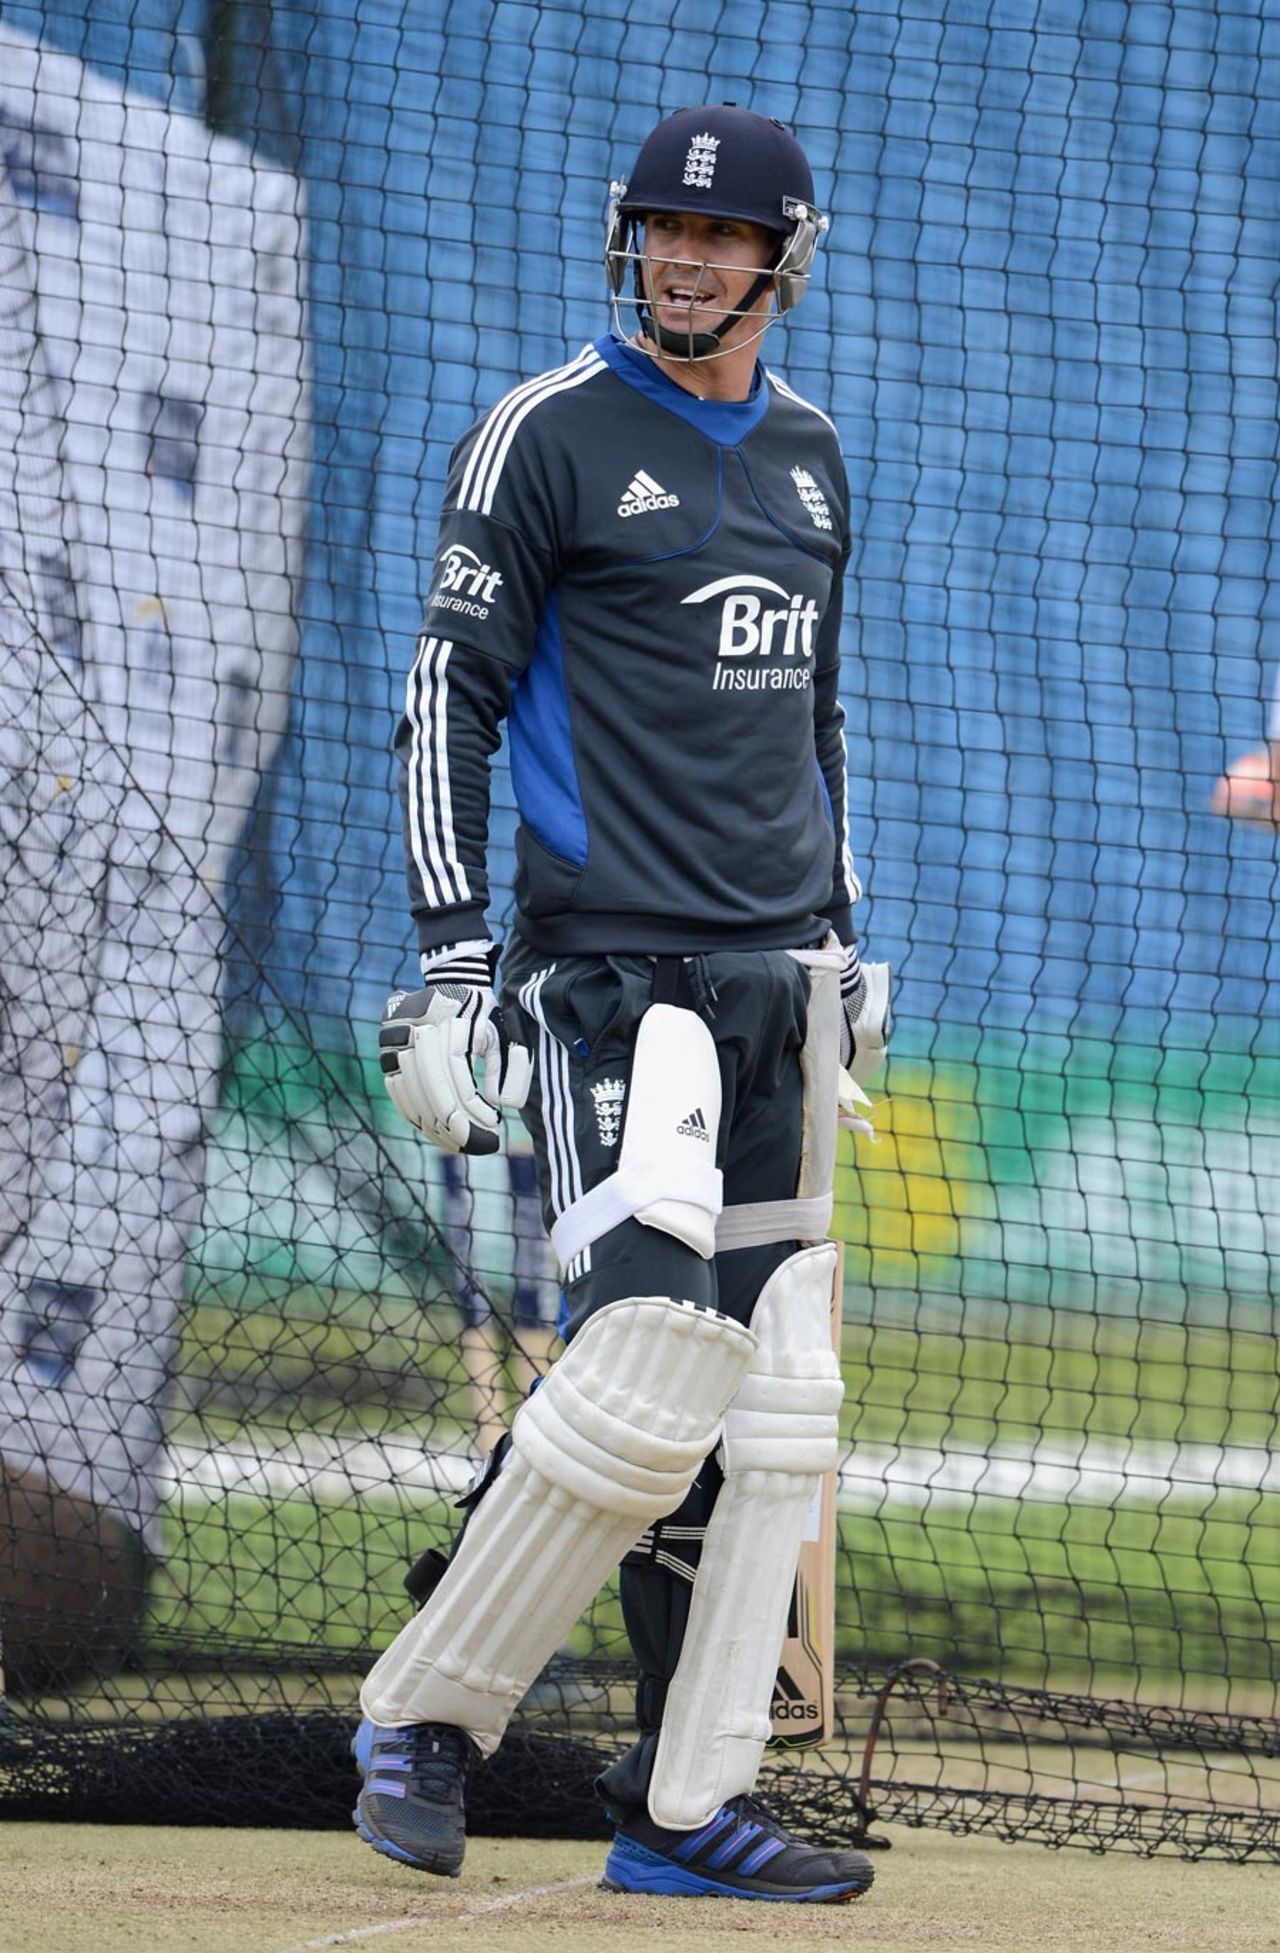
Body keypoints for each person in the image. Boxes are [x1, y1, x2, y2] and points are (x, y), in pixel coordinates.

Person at [355, 104, 890, 1904]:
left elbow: (818, 724)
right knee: (655, 1363)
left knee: (773, 1414)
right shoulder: (546, 435)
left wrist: (845, 938)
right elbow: (447, 696)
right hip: (614, 982)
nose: (686, 258)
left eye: (721, 238)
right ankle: (425, 1718)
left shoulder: (813, 457)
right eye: (663, 228)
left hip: (780, 992)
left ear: (782, 258)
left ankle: (681, 1812)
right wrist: (452, 972)